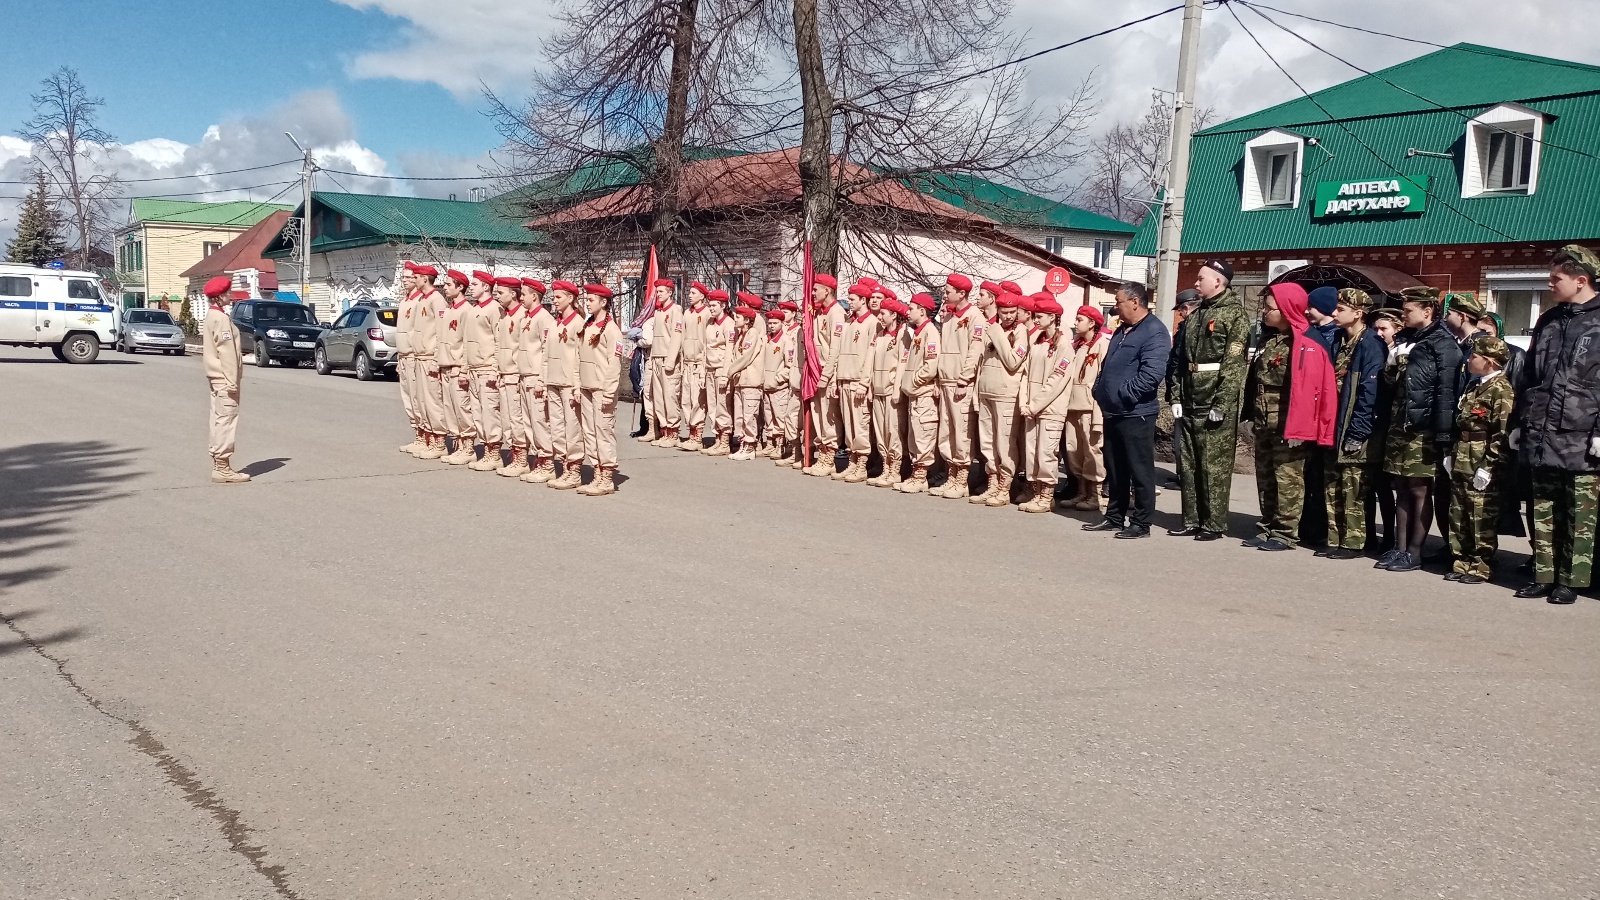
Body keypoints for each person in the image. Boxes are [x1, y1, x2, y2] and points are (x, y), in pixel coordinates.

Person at [1512, 245, 1600, 604]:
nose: (1549, 283)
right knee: (1543, 506)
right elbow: (1530, 374)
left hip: (1582, 432)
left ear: (1581, 280)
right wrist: (1519, 421)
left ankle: (1573, 580)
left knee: (1579, 513)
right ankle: (1543, 574)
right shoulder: (1548, 320)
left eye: (1556, 278)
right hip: (1542, 428)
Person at [1241, 283, 1337, 551]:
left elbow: (1312, 389)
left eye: (1270, 308)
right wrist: (1250, 414)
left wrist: (1301, 428)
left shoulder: (1307, 342)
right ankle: (1267, 525)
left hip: (1289, 423)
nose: (1264, 312)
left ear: (1285, 310)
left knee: (1288, 479)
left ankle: (1285, 533)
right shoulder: (1270, 339)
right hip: (1265, 420)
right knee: (1266, 477)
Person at [1378, 286, 1461, 573]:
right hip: (1401, 423)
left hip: (1423, 428)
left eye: (1408, 310)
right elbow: (1392, 385)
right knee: (1401, 486)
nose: (1403, 314)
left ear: (1427, 311)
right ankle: (1399, 549)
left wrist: (1443, 436)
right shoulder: (1405, 340)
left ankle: (1415, 552)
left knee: (1420, 489)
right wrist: (1391, 363)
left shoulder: (1443, 344)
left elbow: (1447, 393)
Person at [1171, 260, 1249, 541]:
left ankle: (1213, 524)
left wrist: (1222, 403)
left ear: (1218, 281)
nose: (1195, 283)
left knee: (1213, 465)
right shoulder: (1195, 314)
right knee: (1190, 463)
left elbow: (1233, 365)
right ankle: (1192, 519)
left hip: (1213, 398)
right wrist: (1176, 395)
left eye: (1201, 278)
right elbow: (1180, 360)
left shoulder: (1234, 315)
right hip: (1190, 395)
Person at [1088, 283, 1170, 538]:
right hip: (1113, 410)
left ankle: (1141, 522)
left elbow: (1151, 374)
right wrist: (1099, 390)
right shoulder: (1123, 330)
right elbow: (1108, 365)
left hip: (1136, 412)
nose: (1115, 306)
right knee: (1115, 468)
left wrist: (1124, 395)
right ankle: (1114, 516)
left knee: (1139, 468)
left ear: (1135, 302)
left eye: (1119, 301)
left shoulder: (1154, 332)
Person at [1321, 288, 1386, 560]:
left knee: (1354, 486)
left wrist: (1358, 432)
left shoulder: (1370, 343)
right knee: (1333, 484)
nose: (1334, 313)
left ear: (1358, 313)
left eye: (1341, 309)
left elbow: (1369, 393)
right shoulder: (1338, 338)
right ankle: (1336, 538)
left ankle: (1355, 542)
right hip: (1334, 423)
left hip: (1356, 425)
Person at [1446, 336, 1515, 585]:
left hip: (1481, 458)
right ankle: (1461, 560)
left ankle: (1480, 564)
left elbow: (1502, 432)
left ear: (1489, 361)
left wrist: (1489, 466)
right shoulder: (1474, 386)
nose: (1469, 359)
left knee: (1480, 515)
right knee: (1459, 512)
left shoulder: (1501, 390)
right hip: (1463, 455)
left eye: (1474, 356)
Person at [1017, 295, 1074, 513]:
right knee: (1032, 452)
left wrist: (1035, 404)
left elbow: (1056, 380)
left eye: (1040, 316)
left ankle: (1046, 495)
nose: (1036, 320)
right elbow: (1025, 373)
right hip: (1032, 407)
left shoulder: (1064, 345)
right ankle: (1035, 491)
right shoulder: (1038, 341)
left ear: (1052, 317)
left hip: (1050, 409)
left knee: (1046, 453)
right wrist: (1025, 402)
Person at [972, 289, 1028, 507]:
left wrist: (996, 334)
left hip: (1005, 394)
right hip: (986, 391)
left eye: (1013, 312)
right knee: (988, 443)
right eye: (1005, 312)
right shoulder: (990, 328)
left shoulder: (1020, 331)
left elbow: (1013, 361)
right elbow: (981, 362)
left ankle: (1004, 488)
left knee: (1004, 443)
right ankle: (992, 482)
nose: (1009, 316)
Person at [931, 273, 983, 498]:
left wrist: (964, 379)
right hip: (945, 381)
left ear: (961, 293)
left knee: (961, 432)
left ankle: (961, 480)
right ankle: (951, 475)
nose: (945, 294)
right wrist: (937, 379)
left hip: (960, 383)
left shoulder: (974, 317)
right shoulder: (949, 317)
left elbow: (975, 350)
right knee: (946, 431)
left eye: (948, 290)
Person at [576, 284, 623, 495]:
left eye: (591, 300)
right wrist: (578, 385)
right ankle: (596, 472)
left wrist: (609, 392)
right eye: (587, 299)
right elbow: (579, 357)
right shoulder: (588, 325)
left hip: (601, 389)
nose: (587, 303)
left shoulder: (612, 330)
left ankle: (607, 477)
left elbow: (614, 364)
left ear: (604, 302)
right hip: (586, 386)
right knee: (590, 432)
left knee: (603, 432)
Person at [201, 275, 249, 484]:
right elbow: (227, 353)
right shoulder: (220, 319)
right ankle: (222, 467)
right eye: (228, 293)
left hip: (215, 377)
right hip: (224, 379)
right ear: (219, 297)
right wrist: (233, 381)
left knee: (218, 419)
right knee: (226, 420)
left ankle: (219, 463)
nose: (231, 295)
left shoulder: (212, 316)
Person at [1062, 304, 1109, 511]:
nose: (1075, 323)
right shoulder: (1077, 345)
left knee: (1092, 450)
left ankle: (1095, 494)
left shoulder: (1101, 345)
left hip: (1090, 406)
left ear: (1092, 323)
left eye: (1080, 319)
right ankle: (1081, 491)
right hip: (1072, 404)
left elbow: (1101, 380)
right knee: (1074, 450)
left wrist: (1099, 414)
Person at [896, 292, 941, 494]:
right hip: (916, 393)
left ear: (922, 311)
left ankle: (921, 476)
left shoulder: (930, 332)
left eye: (912, 308)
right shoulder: (919, 333)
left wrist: (914, 381)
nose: (908, 311)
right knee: (915, 436)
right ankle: (916, 474)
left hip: (923, 393)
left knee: (924, 434)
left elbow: (931, 365)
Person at [544, 281, 586, 490]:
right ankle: (564, 466)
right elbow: (545, 355)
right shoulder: (554, 323)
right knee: (557, 428)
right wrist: (544, 381)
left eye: (559, 296)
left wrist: (578, 386)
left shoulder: (578, 323)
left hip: (569, 383)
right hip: (552, 381)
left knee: (572, 428)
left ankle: (575, 468)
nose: (555, 300)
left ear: (570, 298)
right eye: (554, 296)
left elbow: (581, 356)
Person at [804, 274, 848, 476]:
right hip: (816, 370)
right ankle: (821, 452)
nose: (812, 293)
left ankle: (829, 456)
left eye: (815, 290)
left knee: (829, 417)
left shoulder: (836, 313)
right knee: (817, 414)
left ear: (827, 291)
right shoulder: (819, 313)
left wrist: (827, 375)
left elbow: (835, 349)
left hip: (826, 373)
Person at [1367, 308, 1403, 552]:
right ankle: (1370, 534)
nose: (1379, 333)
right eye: (1376, 328)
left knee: (1387, 487)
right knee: (1371, 483)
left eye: (1384, 329)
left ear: (1396, 330)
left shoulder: (1400, 354)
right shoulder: (1372, 349)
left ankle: (1390, 536)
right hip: (1374, 423)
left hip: (1392, 425)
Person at [516, 279, 558, 483]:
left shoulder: (544, 319)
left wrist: (542, 380)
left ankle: (547, 462)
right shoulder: (525, 318)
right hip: (524, 375)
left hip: (536, 377)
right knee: (529, 422)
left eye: (523, 294)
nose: (520, 297)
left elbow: (546, 351)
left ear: (534, 296)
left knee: (540, 421)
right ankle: (538, 459)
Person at [836, 283, 877, 481]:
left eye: (853, 299)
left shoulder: (872, 323)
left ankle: (861, 463)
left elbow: (871, 355)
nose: (850, 303)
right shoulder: (848, 323)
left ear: (863, 300)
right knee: (849, 424)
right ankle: (852, 459)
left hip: (858, 381)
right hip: (844, 378)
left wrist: (864, 382)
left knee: (860, 424)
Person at [1164, 288, 1203, 495]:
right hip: (1181, 390)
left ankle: (1186, 478)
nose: (1180, 313)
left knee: (1184, 440)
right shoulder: (1186, 327)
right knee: (1181, 437)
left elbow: (1180, 360)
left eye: (1180, 309)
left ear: (1186, 307)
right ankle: (1182, 474)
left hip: (1188, 392)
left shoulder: (1192, 328)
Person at [437, 270, 477, 465]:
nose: (445, 287)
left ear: (460, 287)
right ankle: (458, 443)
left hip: (457, 366)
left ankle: (468, 445)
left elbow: (466, 342)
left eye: (448, 284)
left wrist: (463, 369)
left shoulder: (466, 311)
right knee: (449, 407)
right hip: (445, 365)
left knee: (462, 407)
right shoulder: (449, 309)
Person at [867, 298, 908, 488]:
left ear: (894, 315)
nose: (880, 317)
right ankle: (886, 466)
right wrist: (868, 385)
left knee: (893, 430)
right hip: (878, 390)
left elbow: (902, 363)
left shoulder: (902, 335)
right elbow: (870, 361)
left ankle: (895, 470)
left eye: (884, 313)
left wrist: (897, 387)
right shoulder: (879, 335)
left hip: (892, 391)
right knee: (881, 431)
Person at [408, 264, 447, 460]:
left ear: (425, 279)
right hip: (419, 357)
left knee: (433, 401)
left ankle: (439, 441)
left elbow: (442, 331)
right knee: (421, 400)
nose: (414, 280)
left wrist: (437, 358)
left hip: (430, 357)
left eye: (417, 277)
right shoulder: (422, 300)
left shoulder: (437, 300)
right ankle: (428, 437)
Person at [494, 276, 529, 476]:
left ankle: (522, 458)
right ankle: (515, 454)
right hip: (504, 373)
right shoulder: (504, 316)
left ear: (513, 294)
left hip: (515, 375)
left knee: (517, 419)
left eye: (501, 292)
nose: (497, 296)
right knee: (507, 419)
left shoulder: (522, 316)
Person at [645, 279, 685, 447]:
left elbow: (677, 336)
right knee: (659, 397)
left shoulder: (676, 310)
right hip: (656, 357)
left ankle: (674, 432)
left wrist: (671, 360)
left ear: (670, 292)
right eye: (657, 291)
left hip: (668, 360)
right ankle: (665, 430)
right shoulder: (658, 312)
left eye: (661, 291)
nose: (658, 294)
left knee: (670, 396)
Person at [726, 297, 766, 461]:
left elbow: (745, 357)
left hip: (751, 381)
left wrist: (730, 371)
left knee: (749, 415)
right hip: (741, 381)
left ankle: (750, 446)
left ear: (747, 320)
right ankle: (743, 444)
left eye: (738, 317)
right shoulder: (741, 336)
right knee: (741, 416)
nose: (735, 319)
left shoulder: (752, 334)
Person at [677, 282, 712, 451]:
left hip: (699, 362)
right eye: (689, 292)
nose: (690, 295)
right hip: (687, 362)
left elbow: (707, 340)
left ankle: (697, 435)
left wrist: (703, 363)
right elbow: (682, 337)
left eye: (693, 293)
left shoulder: (706, 313)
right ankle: (690, 432)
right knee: (686, 400)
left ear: (702, 296)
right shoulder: (686, 313)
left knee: (698, 399)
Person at [395, 263, 425, 454]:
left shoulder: (420, 301)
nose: (404, 281)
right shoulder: (404, 301)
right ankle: (417, 434)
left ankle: (425, 436)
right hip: (403, 355)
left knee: (417, 397)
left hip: (415, 356)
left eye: (408, 278)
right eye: (403, 278)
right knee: (407, 398)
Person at [702, 289, 735, 457]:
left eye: (714, 305)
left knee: (723, 406)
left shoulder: (729, 324)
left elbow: (730, 350)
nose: (711, 308)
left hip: (721, 369)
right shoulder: (709, 322)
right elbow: (705, 349)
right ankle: (717, 438)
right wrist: (702, 372)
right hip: (709, 368)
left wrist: (725, 374)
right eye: (709, 305)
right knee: (713, 406)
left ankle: (725, 441)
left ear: (723, 305)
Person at [760, 304, 793, 461]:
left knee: (780, 416)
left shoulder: (786, 340)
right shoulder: (766, 340)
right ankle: (771, 443)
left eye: (775, 323)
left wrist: (778, 379)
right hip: (766, 386)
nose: (772, 326)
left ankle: (781, 445)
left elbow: (789, 365)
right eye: (770, 323)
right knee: (769, 416)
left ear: (782, 323)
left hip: (779, 387)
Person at [776, 300, 803, 465]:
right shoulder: (780, 330)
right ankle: (790, 448)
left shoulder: (797, 331)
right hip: (788, 377)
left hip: (794, 377)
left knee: (794, 417)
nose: (782, 315)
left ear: (793, 314)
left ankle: (797, 451)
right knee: (786, 416)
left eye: (786, 312)